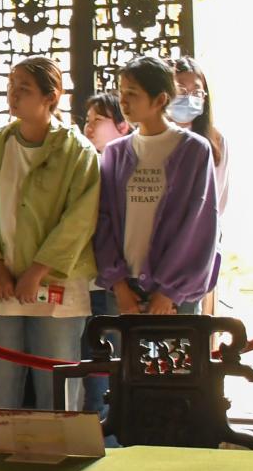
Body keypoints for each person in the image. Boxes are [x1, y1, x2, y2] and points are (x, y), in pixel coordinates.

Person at [0, 57, 101, 411]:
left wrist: (37, 271)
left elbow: (80, 220)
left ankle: (58, 448)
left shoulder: (77, 151)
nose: (13, 95)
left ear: (52, 97)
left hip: (57, 290)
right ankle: (1, 447)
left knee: (57, 393)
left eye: (24, 88)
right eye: (11, 87)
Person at [94, 56, 220, 319]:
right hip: (124, 289)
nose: (123, 101)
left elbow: (199, 225)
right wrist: (118, 284)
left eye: (132, 93)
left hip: (175, 295)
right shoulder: (115, 153)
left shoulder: (194, 150)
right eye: (121, 92)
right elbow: (103, 220)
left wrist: (169, 291)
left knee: (180, 348)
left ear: (160, 100)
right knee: (121, 348)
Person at [170, 56, 229, 213]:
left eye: (196, 92)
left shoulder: (216, 140)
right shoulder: (152, 137)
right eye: (181, 90)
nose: (189, 98)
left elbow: (218, 197)